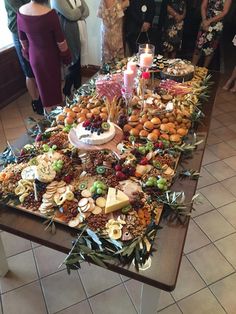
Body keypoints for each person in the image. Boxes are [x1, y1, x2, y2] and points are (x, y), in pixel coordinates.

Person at [17, 0, 71, 112]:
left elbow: (22, 40)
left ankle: (49, 116)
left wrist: (27, 53)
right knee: (55, 91)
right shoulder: (50, 14)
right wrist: (67, 57)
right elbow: (61, 42)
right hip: (50, 57)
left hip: (34, 57)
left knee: (43, 90)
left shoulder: (21, 12)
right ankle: (59, 119)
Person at [4, 0, 43, 115]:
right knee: (29, 71)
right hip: (20, 34)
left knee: (39, 68)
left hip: (34, 31)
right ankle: (36, 101)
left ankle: (42, 97)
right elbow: (24, 12)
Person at [51, 0, 89, 98]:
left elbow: (87, 11)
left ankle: (76, 88)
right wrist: (80, 9)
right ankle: (68, 89)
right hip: (68, 34)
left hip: (79, 33)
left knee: (78, 63)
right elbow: (72, 16)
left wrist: (77, 12)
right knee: (73, 64)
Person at [192, 0, 232, 68]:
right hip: (205, 20)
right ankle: (191, 68)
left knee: (210, 49)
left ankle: (204, 70)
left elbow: (225, 12)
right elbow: (203, 6)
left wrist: (210, 21)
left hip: (216, 25)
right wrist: (204, 20)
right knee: (198, 46)